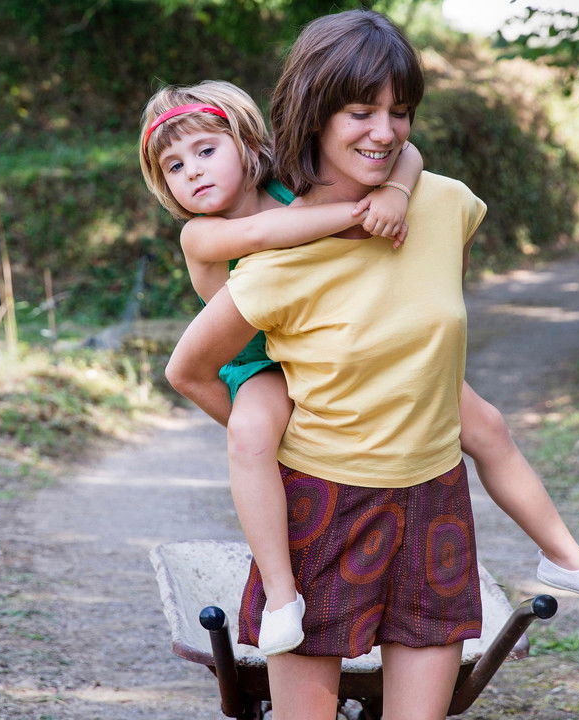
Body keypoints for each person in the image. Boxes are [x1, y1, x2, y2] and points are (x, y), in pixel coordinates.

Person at [163, 12, 579, 719]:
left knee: (487, 426)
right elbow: (192, 368)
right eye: (361, 112)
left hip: (433, 500)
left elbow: (429, 313)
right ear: (315, 115)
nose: (384, 132)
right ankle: (287, 590)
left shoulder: (443, 204)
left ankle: (564, 553)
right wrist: (273, 435)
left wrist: (395, 194)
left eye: (401, 111)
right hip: (320, 503)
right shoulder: (271, 256)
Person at [139, 78, 423, 655]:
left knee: (459, 410)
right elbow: (265, 233)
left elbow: (405, 150)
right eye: (174, 166)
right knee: (250, 434)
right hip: (261, 363)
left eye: (206, 150)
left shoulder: (292, 185)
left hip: (326, 346)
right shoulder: (202, 234)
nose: (192, 171)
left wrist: (393, 192)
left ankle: (552, 549)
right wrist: (356, 213)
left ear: (247, 143)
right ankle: (281, 594)